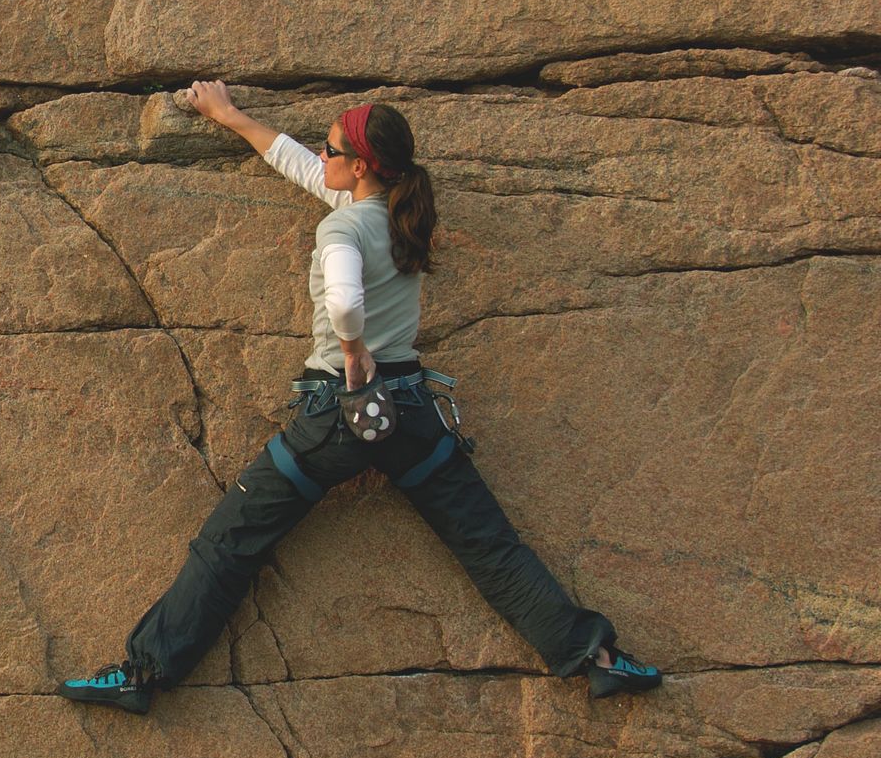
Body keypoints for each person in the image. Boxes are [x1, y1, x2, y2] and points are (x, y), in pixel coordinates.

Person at [55, 82, 661, 715]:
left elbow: (345, 301)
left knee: (230, 544)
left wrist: (351, 350)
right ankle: (596, 659)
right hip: (411, 417)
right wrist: (230, 117)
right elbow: (297, 162)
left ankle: (143, 674)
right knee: (488, 545)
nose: (322, 156)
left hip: (333, 420)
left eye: (332, 148)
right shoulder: (401, 214)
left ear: (361, 166)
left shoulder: (342, 226)